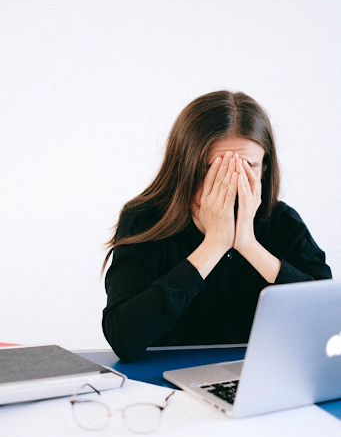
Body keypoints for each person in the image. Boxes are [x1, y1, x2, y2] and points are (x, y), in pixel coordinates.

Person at [102, 90, 332, 362]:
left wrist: (248, 244)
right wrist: (214, 244)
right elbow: (124, 338)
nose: (231, 184)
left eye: (248, 169)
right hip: (165, 383)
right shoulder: (144, 219)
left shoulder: (283, 221)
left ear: (264, 169)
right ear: (184, 167)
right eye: (214, 169)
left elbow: (327, 321)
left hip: (255, 376)